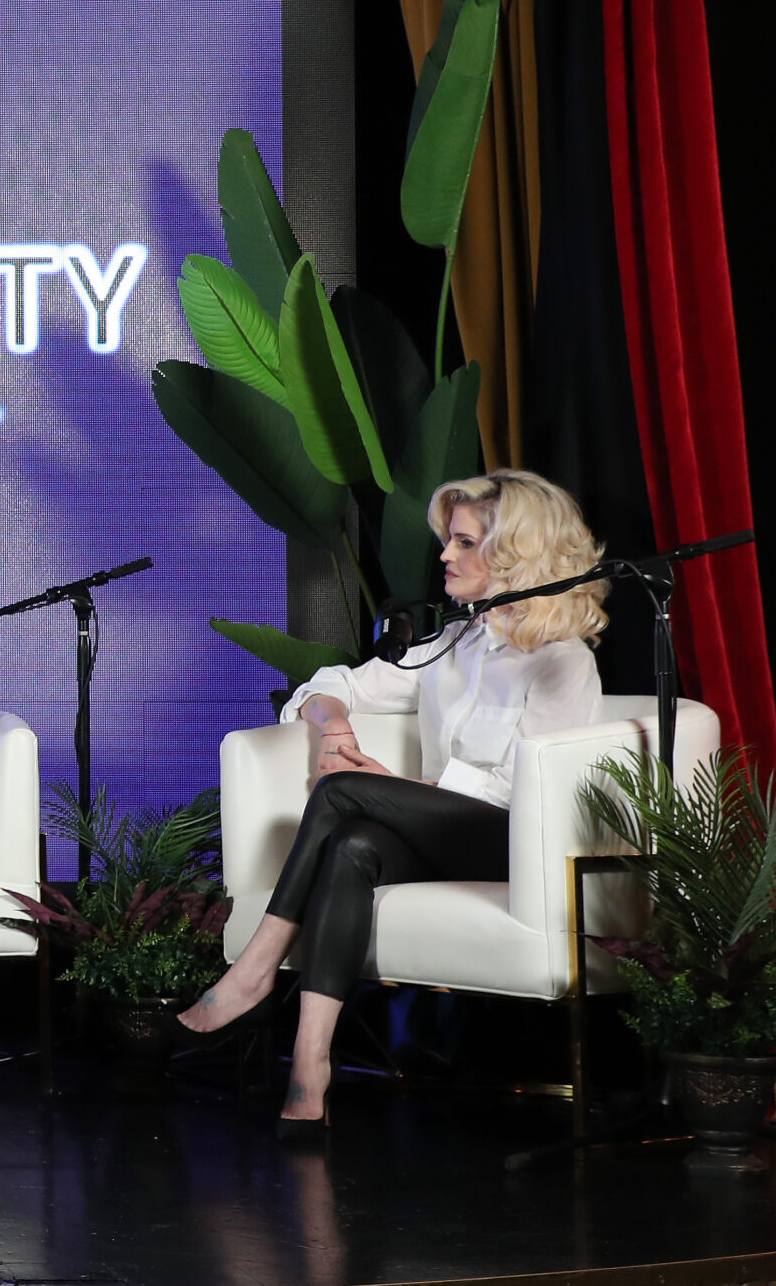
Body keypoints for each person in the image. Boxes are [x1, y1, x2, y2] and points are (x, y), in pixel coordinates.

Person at [173, 469, 608, 1139]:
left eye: (465, 542)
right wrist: (333, 727)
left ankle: (253, 971)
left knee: (343, 790)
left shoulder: (562, 660)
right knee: (353, 844)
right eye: (449, 540)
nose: (445, 555)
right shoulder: (454, 644)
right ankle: (310, 1062)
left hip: (518, 842)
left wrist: (404, 789)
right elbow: (331, 685)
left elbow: (534, 788)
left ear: (516, 554)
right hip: (445, 836)